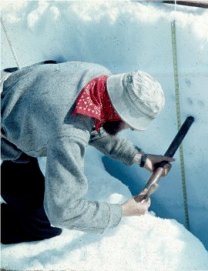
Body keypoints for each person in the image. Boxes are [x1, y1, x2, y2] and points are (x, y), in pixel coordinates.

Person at [1, 61, 174, 244]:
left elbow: (92, 127)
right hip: (12, 127)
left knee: (19, 184)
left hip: (19, 98)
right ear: (117, 113)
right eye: (130, 124)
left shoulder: (98, 77)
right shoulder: (68, 134)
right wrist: (122, 211)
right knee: (43, 225)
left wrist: (139, 157)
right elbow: (63, 211)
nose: (130, 129)